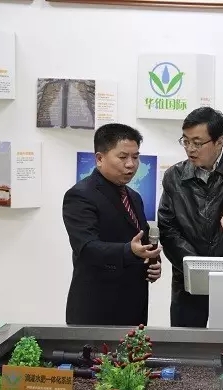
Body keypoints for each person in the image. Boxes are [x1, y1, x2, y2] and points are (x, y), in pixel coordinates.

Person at [158, 107, 223, 328]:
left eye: (197, 143)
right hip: (189, 279)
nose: (190, 149)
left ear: (219, 142)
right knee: (188, 343)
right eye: (186, 141)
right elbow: (168, 227)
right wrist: (197, 267)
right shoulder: (174, 176)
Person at [62, 123, 162, 326]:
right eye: (123, 157)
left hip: (134, 307)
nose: (131, 164)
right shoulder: (80, 195)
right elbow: (87, 248)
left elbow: (139, 242)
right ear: (100, 158)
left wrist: (152, 263)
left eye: (135, 157)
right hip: (97, 308)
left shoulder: (134, 197)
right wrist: (129, 251)